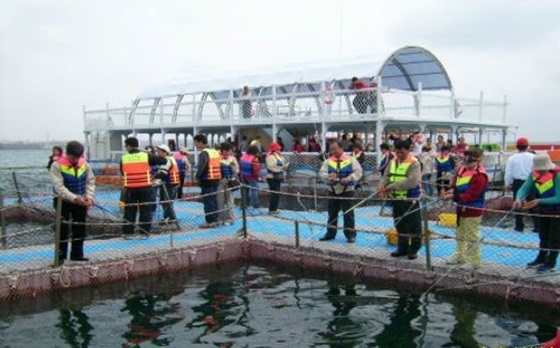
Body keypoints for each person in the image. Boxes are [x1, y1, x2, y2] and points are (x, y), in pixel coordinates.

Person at [441, 149, 488, 268]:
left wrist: (453, 196)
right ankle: (460, 256)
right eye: (465, 160)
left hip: (473, 209)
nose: (466, 164)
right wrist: (449, 190)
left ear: (477, 161)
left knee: (472, 235)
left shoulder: (480, 176)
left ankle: (474, 261)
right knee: (460, 233)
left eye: (469, 161)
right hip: (460, 208)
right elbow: (455, 185)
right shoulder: (461, 169)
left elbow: (471, 195)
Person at [514, 154, 560, 273]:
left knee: (554, 238)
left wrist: (539, 201)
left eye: (542, 169)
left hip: (557, 212)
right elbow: (524, 188)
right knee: (543, 235)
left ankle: (551, 262)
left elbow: (558, 198)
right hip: (543, 211)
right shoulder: (533, 175)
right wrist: (518, 198)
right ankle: (541, 257)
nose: (540, 171)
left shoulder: (557, 176)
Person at [50, 141, 95, 264]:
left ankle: (77, 254)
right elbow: (59, 187)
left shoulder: (85, 164)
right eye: (73, 157)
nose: (75, 160)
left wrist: (89, 197)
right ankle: (60, 257)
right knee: (62, 230)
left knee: (80, 228)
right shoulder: (56, 166)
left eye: (78, 157)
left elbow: (90, 181)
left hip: (81, 202)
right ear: (67, 153)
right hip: (62, 202)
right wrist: (74, 198)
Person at [379, 139, 422, 259]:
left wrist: (390, 187)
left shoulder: (415, 163)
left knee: (414, 226)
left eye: (402, 152)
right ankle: (402, 248)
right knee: (399, 224)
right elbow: (386, 176)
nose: (399, 155)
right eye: (397, 152)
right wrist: (382, 186)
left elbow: (412, 181)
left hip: (410, 200)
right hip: (396, 199)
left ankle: (413, 249)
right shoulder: (392, 161)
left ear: (409, 150)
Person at [120, 137, 168, 237]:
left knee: (129, 211)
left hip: (130, 188)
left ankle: (128, 233)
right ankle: (144, 232)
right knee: (145, 210)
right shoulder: (146, 156)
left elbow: (122, 172)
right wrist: (150, 154)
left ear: (128, 146)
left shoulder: (124, 158)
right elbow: (164, 161)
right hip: (145, 187)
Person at [318, 140, 363, 243]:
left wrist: (349, 178)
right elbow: (322, 173)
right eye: (331, 150)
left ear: (342, 148)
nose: (333, 151)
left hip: (347, 190)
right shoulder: (328, 161)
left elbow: (358, 172)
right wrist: (328, 176)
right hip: (332, 190)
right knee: (332, 212)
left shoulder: (351, 160)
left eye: (335, 149)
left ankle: (350, 234)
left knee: (348, 213)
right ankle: (330, 233)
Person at [505, 137, 539, 232]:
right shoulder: (533, 157)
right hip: (531, 182)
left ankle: (519, 226)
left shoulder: (512, 158)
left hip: (518, 182)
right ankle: (537, 226)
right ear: (528, 146)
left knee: (517, 204)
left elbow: (508, 172)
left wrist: (508, 184)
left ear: (517, 147)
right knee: (533, 204)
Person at [194, 134, 222, 228]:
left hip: (207, 180)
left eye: (196, 143)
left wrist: (197, 177)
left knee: (208, 201)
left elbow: (202, 167)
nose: (195, 145)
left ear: (200, 142)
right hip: (216, 179)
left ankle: (210, 222)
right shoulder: (215, 152)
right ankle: (215, 219)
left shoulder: (204, 153)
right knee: (214, 200)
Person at [217, 142, 239, 225]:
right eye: (228, 151)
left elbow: (237, 171)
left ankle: (230, 219)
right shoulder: (217, 159)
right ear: (223, 151)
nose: (230, 153)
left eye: (230, 151)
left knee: (230, 200)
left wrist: (232, 167)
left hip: (230, 181)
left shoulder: (232, 159)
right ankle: (220, 219)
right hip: (220, 182)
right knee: (220, 201)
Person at [155, 144, 179, 222]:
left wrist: (152, 177)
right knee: (168, 201)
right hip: (172, 183)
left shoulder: (167, 160)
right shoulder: (171, 158)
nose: (157, 153)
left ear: (165, 152)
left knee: (167, 201)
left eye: (159, 152)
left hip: (170, 183)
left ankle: (166, 218)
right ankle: (171, 217)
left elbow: (162, 173)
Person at [265, 142, 287, 214]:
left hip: (278, 176)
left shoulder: (279, 157)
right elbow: (270, 167)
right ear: (274, 150)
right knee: (274, 194)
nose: (279, 150)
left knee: (277, 193)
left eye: (279, 149)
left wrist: (283, 166)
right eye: (278, 149)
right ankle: (272, 209)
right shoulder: (270, 157)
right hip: (271, 177)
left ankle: (275, 209)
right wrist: (279, 169)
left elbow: (282, 165)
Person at [239, 145, 261, 209]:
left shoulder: (243, 156)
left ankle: (245, 205)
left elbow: (240, 166)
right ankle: (256, 205)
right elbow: (256, 170)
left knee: (245, 191)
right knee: (254, 191)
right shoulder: (254, 158)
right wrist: (257, 177)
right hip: (251, 177)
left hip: (243, 176)